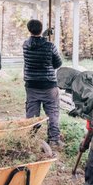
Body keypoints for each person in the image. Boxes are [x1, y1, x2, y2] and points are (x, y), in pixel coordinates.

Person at [22, 19, 63, 147]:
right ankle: (54, 139)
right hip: (48, 85)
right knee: (52, 112)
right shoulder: (50, 46)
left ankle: (30, 139)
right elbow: (58, 63)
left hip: (31, 84)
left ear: (29, 30)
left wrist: (44, 36)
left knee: (32, 113)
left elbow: (35, 42)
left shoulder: (25, 45)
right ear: (41, 29)